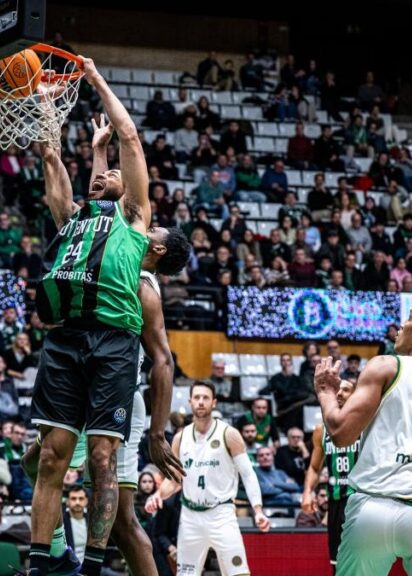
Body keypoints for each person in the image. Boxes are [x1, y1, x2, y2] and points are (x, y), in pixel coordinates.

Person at [28, 57, 177, 576]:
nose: (107, 174)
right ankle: (40, 563)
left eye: (112, 172)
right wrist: (45, 102)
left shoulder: (135, 223)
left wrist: (91, 76)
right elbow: (52, 159)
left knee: (101, 461)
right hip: (66, 338)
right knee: (49, 457)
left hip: (113, 342)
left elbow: (131, 138)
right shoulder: (79, 218)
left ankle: (92, 564)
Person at [20, 222, 191, 574]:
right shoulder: (114, 258)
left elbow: (163, 361)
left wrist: (158, 435)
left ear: (159, 250)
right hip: (84, 380)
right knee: (36, 463)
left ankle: (83, 564)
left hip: (117, 392)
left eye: (155, 229)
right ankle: (57, 555)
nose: (148, 228)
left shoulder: (142, 284)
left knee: (123, 520)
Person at [314, 292, 412, 575]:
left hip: (372, 508)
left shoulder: (387, 365)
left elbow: (340, 433)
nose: (402, 325)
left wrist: (326, 393)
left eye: (409, 318)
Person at [145, 381, 271, 575]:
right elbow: (174, 479)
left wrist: (258, 510)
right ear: (190, 402)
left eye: (205, 398)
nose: (201, 402)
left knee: (239, 573)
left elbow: (248, 474)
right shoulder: (180, 438)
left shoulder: (229, 434)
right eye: (197, 397)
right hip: (190, 517)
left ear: (214, 402)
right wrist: (158, 495)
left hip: (222, 514)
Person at [303, 379, 358, 575]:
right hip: (335, 500)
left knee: (364, 560)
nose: (340, 393)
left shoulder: (366, 425)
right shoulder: (321, 430)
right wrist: (307, 493)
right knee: (337, 563)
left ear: (356, 395)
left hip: (361, 500)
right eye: (337, 390)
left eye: (346, 390)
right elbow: (315, 468)